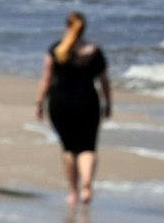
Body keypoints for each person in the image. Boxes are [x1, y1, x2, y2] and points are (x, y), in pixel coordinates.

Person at [36, 12, 112, 207]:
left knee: (69, 149)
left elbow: (46, 78)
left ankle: (73, 192)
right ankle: (87, 184)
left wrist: (39, 102)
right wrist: (109, 103)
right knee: (88, 147)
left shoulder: (56, 50)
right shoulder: (95, 52)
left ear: (66, 26)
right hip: (88, 102)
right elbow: (104, 81)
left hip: (60, 102)